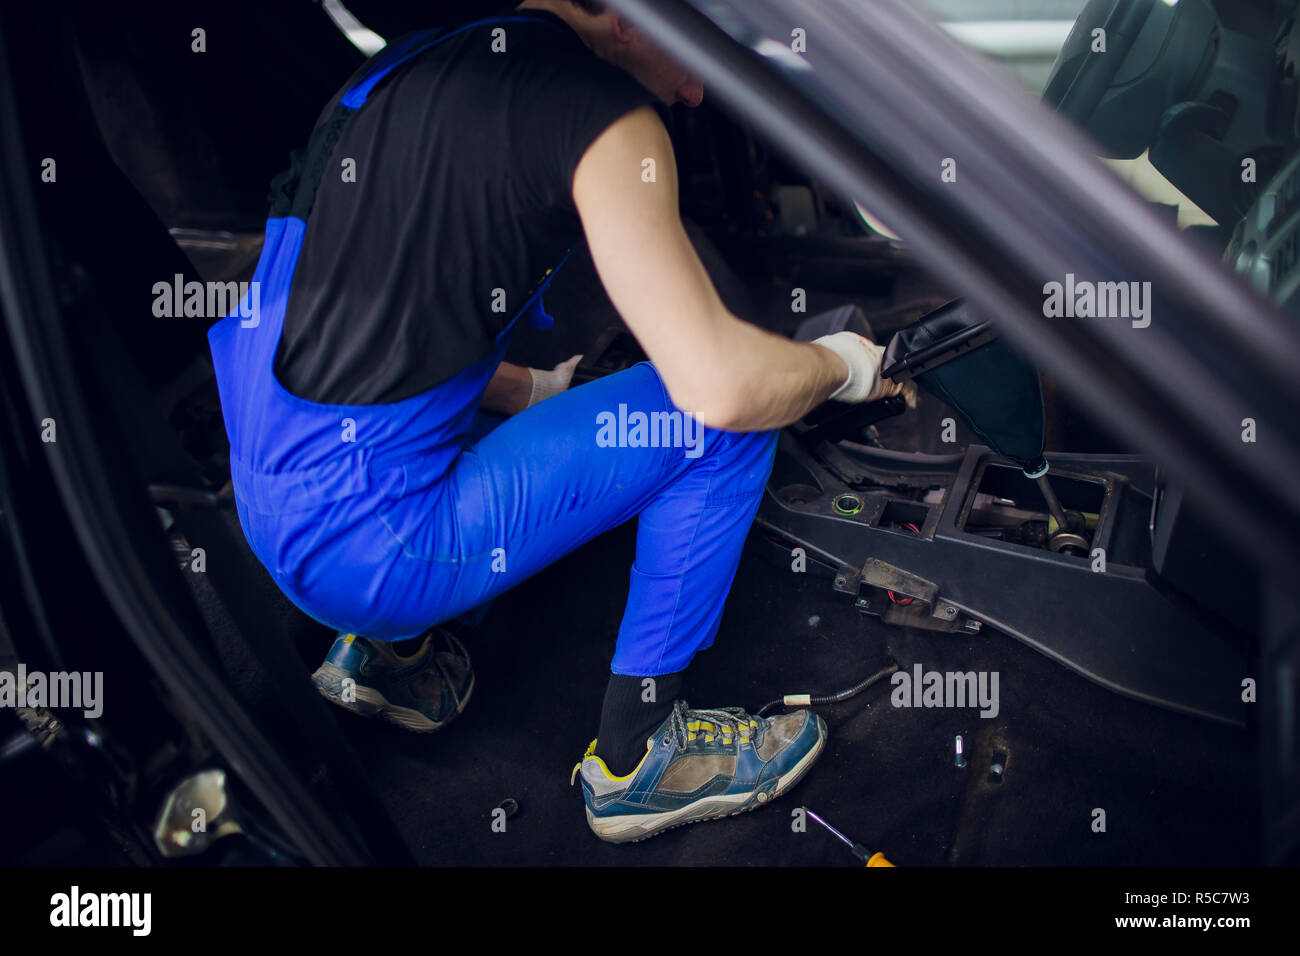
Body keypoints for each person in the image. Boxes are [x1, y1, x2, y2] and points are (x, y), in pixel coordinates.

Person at [207, 0, 907, 844]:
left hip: (266, 502)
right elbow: (720, 388)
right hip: (375, 552)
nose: (695, 92)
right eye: (700, 54)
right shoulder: (608, 121)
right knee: (717, 425)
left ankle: (384, 656)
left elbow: (370, 331)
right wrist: (843, 366)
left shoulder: (404, 68)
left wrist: (535, 391)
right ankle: (640, 756)